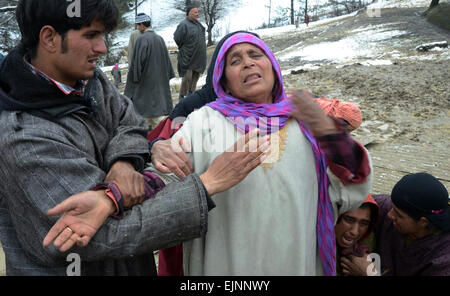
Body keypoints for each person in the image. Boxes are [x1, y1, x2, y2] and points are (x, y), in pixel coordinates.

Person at [0, 0, 268, 276]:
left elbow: (130, 121)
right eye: (91, 36)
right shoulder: (24, 137)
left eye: (102, 36)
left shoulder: (86, 80)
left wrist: (123, 163)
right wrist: (208, 183)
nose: (102, 48)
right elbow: (104, 234)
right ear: (49, 38)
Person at [154, 33, 373, 275]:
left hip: (294, 261)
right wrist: (156, 149)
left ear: (273, 66)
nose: (248, 62)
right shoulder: (203, 121)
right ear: (223, 80)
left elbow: (352, 188)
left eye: (256, 55)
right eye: (235, 61)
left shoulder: (307, 121)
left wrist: (333, 137)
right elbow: (162, 183)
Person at [341, 172, 450, 276]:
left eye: (399, 215)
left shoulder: (443, 258)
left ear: (423, 222)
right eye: (392, 207)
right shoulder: (389, 208)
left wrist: (369, 273)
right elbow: (356, 201)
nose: (389, 215)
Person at [124, 13, 174, 130]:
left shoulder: (142, 39)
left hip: (145, 83)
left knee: (145, 111)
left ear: (141, 25)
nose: (137, 27)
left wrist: (132, 84)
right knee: (159, 114)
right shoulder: (160, 38)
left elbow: (136, 67)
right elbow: (167, 62)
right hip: (160, 81)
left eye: (138, 25)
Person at [335, 195, 379, 276]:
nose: (355, 232)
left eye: (364, 223)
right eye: (349, 220)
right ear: (335, 217)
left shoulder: (364, 248)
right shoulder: (315, 248)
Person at [174, 6, 206, 100]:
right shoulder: (183, 25)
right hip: (187, 55)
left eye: (197, 12)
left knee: (196, 75)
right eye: (195, 12)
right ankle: (182, 95)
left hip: (198, 56)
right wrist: (185, 47)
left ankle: (191, 94)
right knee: (187, 77)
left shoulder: (199, 24)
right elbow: (177, 38)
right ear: (189, 13)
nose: (197, 14)